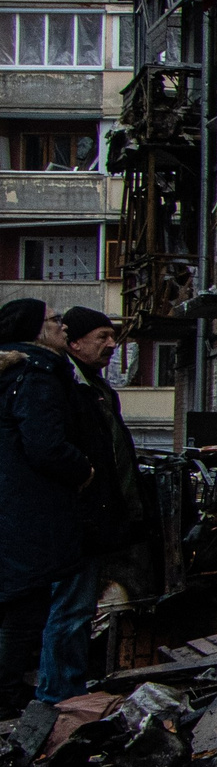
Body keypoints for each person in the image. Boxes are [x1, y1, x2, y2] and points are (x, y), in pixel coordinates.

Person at [0, 299, 98, 710]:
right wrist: (83, 469)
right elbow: (45, 446)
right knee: (28, 606)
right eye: (55, 320)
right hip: (32, 512)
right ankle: (7, 698)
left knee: (18, 604)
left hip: (15, 508)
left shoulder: (14, 374)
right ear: (36, 331)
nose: (63, 326)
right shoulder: (37, 376)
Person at [50, 307, 143, 696]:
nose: (112, 344)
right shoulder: (68, 386)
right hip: (79, 520)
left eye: (113, 336)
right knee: (70, 609)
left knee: (82, 607)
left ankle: (67, 686)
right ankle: (60, 693)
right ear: (74, 342)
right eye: (102, 336)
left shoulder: (97, 388)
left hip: (100, 517)